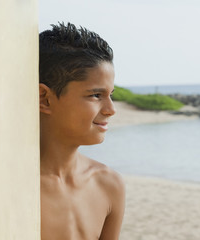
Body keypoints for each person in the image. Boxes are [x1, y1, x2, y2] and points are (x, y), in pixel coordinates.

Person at [39, 22, 125, 240]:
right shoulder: (6, 184)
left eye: (110, 94)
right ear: (45, 98)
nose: (111, 109)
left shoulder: (108, 184)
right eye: (96, 95)